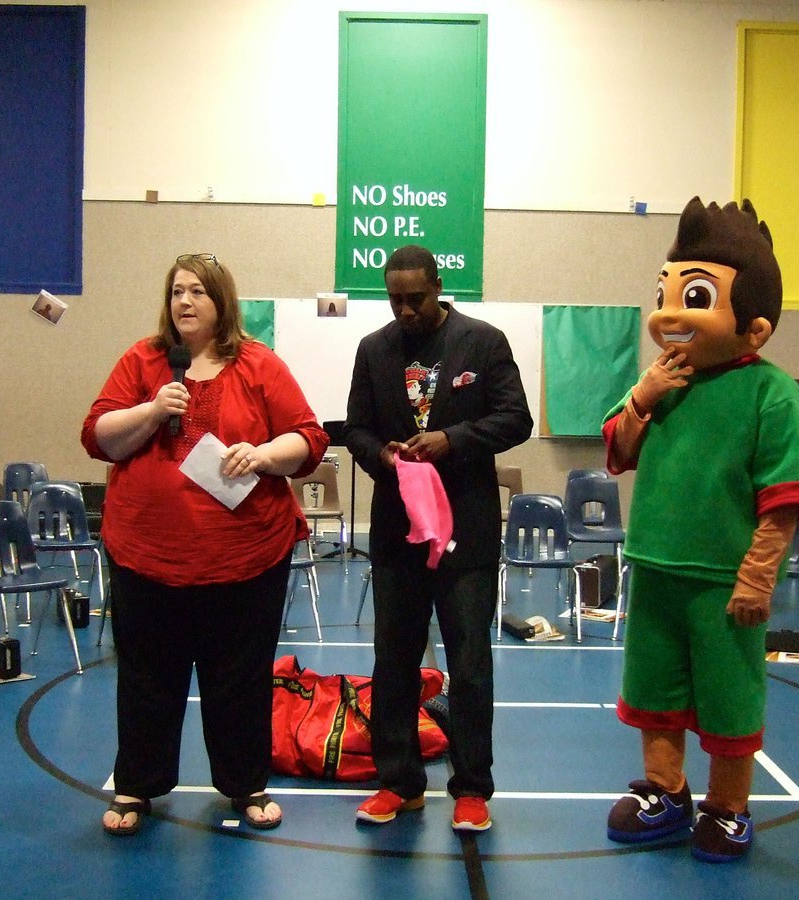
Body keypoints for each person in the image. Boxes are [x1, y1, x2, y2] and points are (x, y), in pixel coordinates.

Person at [81, 252, 329, 835]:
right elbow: (98, 436)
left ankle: (245, 784)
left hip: (245, 559)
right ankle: (137, 786)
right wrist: (151, 408)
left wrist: (264, 454)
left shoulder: (259, 365)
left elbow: (310, 439)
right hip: (147, 556)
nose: (184, 302)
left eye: (196, 292)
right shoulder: (143, 361)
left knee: (238, 679)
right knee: (146, 676)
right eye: (176, 292)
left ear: (222, 301)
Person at [601, 198, 799, 862]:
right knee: (654, 689)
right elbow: (618, 447)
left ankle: (728, 806)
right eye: (665, 291)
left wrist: (757, 576)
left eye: (693, 296)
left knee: (728, 698)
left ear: (753, 327)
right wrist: (643, 394)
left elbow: (783, 498)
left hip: (723, 581)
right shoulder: (667, 378)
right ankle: (665, 792)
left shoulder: (771, 392)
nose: (669, 311)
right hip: (657, 566)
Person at [344, 244, 532, 833]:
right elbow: (353, 428)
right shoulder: (373, 350)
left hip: (466, 535)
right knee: (393, 663)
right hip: (398, 533)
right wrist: (384, 455)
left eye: (415, 298)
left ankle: (472, 788)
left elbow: (516, 419)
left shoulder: (484, 342)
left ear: (438, 285)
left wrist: (452, 439)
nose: (404, 310)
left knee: (470, 665)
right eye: (394, 298)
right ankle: (399, 783)